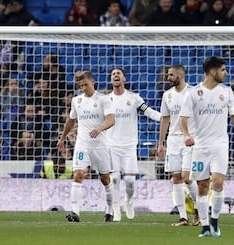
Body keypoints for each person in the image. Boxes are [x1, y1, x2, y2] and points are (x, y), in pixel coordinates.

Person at [179, 56, 234, 237]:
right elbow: (183, 118)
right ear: (212, 72)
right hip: (200, 146)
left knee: (217, 182)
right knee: (202, 186)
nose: (226, 73)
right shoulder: (193, 93)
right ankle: (204, 226)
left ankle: (215, 222)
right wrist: (186, 135)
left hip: (220, 145)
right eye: (223, 70)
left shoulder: (226, 92)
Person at [57, 70, 115, 222]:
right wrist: (62, 138)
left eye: (86, 85)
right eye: (81, 85)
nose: (83, 88)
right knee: (78, 175)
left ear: (93, 82)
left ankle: (110, 209)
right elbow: (71, 120)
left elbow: (111, 120)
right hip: (82, 144)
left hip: (100, 145)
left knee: (105, 179)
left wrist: (100, 129)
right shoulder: (76, 101)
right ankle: (75, 212)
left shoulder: (103, 99)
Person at [106, 68, 161, 221]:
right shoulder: (106, 100)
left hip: (129, 146)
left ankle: (128, 201)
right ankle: (116, 209)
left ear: (124, 78)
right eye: (113, 74)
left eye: (118, 73)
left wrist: (165, 118)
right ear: (111, 80)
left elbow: (148, 112)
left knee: (130, 180)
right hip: (112, 146)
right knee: (115, 179)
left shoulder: (134, 98)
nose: (115, 75)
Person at [157, 64, 199, 226]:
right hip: (173, 140)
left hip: (189, 139)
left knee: (186, 177)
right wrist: (161, 143)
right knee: (175, 178)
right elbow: (165, 119)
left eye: (171, 75)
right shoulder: (167, 95)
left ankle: (199, 209)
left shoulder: (193, 93)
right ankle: (183, 217)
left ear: (180, 76)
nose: (168, 78)